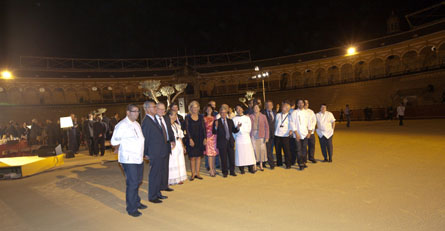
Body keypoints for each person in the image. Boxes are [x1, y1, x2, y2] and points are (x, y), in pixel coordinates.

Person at [111, 104, 146, 217]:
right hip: (128, 158)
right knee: (132, 183)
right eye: (134, 111)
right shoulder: (121, 125)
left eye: (137, 111)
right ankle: (131, 208)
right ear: (127, 112)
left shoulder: (137, 124)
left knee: (138, 181)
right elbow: (114, 141)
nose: (136, 113)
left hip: (138, 158)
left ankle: (136, 201)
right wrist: (118, 148)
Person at [142, 100, 175, 204]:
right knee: (154, 174)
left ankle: (158, 193)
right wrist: (145, 153)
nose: (156, 109)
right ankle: (152, 196)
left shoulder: (153, 119)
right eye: (153, 107)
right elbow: (145, 138)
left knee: (160, 173)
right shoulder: (146, 121)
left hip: (161, 150)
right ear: (147, 109)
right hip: (154, 152)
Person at [213, 106, 239, 177]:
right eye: (222, 113)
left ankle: (232, 171)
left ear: (226, 113)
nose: (223, 114)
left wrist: (238, 128)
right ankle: (225, 172)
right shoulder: (216, 121)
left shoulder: (230, 121)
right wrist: (216, 127)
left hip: (230, 141)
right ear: (220, 113)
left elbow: (234, 130)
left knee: (231, 158)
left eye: (225, 112)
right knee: (223, 158)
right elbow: (214, 132)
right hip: (222, 143)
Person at [184, 100, 206, 180]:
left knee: (198, 157)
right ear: (191, 108)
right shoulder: (187, 117)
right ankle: (193, 174)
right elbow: (187, 129)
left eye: (197, 107)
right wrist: (190, 139)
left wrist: (205, 138)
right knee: (192, 157)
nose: (195, 109)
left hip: (200, 139)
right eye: (194, 107)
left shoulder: (201, 117)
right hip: (192, 139)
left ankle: (198, 173)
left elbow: (204, 128)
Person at [232, 105, 256, 174]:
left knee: (249, 154)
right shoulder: (234, 119)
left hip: (246, 138)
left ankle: (250, 168)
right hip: (239, 138)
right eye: (237, 108)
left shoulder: (247, 118)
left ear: (243, 109)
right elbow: (233, 131)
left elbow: (249, 128)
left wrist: (245, 133)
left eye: (240, 108)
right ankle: (241, 169)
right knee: (240, 154)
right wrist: (237, 135)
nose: (239, 109)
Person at [167, 110, 187, 185]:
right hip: (172, 145)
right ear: (169, 116)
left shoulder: (177, 125)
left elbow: (181, 136)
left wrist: (183, 146)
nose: (176, 116)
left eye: (176, 115)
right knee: (172, 162)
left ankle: (179, 178)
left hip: (178, 144)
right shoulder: (167, 125)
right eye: (174, 115)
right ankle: (171, 179)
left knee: (180, 161)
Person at [291, 99, 311, 171]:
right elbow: (292, 123)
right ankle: (300, 164)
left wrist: (309, 132)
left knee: (304, 149)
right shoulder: (294, 112)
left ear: (304, 104)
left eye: (302, 103)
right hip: (297, 135)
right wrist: (296, 134)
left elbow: (309, 123)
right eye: (299, 103)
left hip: (305, 134)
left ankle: (303, 162)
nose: (300, 104)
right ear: (297, 104)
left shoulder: (307, 113)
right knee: (299, 149)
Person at [249, 103, 269, 171]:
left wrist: (267, 137)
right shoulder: (250, 116)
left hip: (261, 134)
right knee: (254, 150)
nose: (256, 109)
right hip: (253, 134)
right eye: (254, 107)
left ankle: (261, 164)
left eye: (257, 107)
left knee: (261, 150)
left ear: (260, 109)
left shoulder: (263, 116)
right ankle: (254, 164)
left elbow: (267, 127)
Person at [274, 100, 292, 168]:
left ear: (288, 109)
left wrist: (291, 130)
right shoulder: (278, 115)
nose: (282, 108)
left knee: (286, 151)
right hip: (277, 135)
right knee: (278, 150)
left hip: (285, 135)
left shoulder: (290, 116)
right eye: (282, 107)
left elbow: (291, 125)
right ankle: (279, 163)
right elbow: (276, 124)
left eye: (284, 107)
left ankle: (288, 164)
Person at [203, 104, 219, 177]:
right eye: (208, 109)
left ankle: (213, 168)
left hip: (215, 137)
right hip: (208, 137)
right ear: (206, 110)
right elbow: (203, 129)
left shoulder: (215, 117)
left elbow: (216, 128)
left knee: (214, 153)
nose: (209, 110)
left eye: (210, 109)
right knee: (209, 154)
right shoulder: (204, 118)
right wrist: (204, 138)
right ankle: (211, 169)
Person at [263, 99, 276, 169]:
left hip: (274, 135)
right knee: (268, 149)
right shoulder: (263, 113)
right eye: (267, 105)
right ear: (265, 106)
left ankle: (265, 161)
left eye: (270, 105)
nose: (269, 106)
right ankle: (271, 164)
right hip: (266, 135)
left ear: (272, 106)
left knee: (270, 149)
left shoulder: (275, 112)